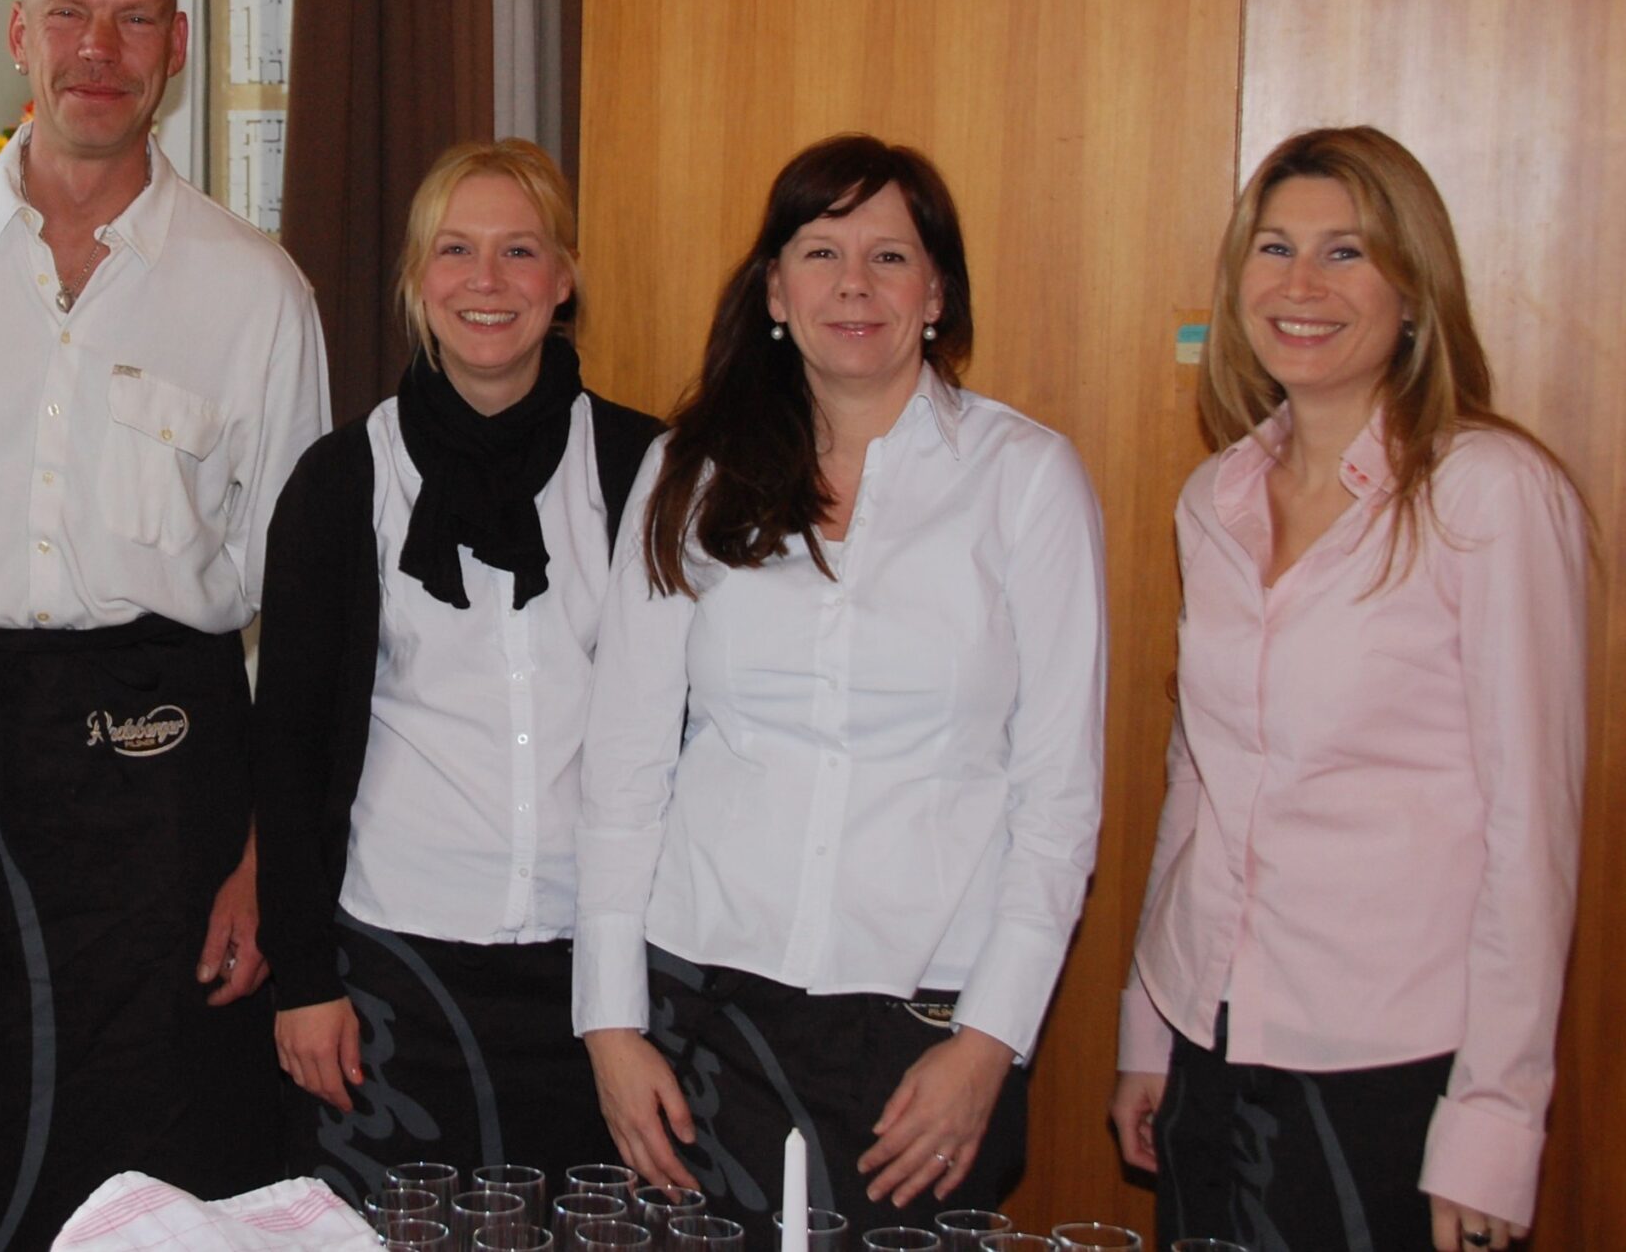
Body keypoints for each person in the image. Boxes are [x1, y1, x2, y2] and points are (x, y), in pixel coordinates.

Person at [0, 0, 330, 1251]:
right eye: (69, 13)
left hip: (177, 801)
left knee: (181, 1184)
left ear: (177, 47)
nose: (97, 48)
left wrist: (266, 864)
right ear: (18, 33)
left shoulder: (256, 291)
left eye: (132, 18)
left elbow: (308, 619)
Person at [574, 135, 1107, 1239]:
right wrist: (610, 1026)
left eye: (889, 256)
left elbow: (1058, 798)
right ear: (775, 290)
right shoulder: (690, 471)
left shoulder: (1025, 480)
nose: (853, 285)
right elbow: (623, 767)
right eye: (821, 252)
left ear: (936, 294)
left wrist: (990, 1044)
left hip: (926, 1033)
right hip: (702, 1004)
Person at [1109, 127, 1587, 1252]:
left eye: (1346, 252)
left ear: (1413, 290)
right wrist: (1151, 1027)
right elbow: (1200, 780)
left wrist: (1492, 1121)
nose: (1301, 285)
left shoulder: (1488, 494)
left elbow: (1531, 835)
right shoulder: (1214, 497)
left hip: (1391, 1069)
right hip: (1210, 1045)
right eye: (1274, 248)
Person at [254, 139, 661, 1200]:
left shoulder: (648, 470)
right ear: (416, 279)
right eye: (455, 250)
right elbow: (287, 752)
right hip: (393, 970)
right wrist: (302, 981)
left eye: (519, 250)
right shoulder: (342, 480)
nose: (487, 281)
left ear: (563, 279)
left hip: (600, 978)